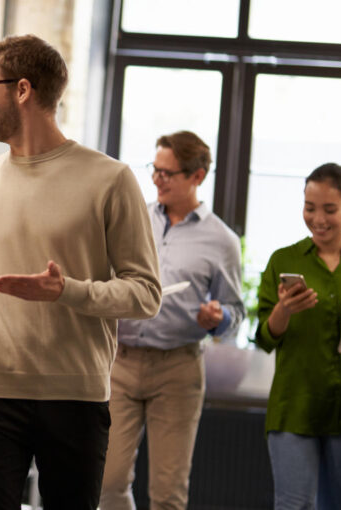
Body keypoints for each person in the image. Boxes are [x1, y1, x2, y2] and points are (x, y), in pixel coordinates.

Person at [0, 34, 162, 509]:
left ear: (23, 90)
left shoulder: (111, 179)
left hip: (77, 397)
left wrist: (66, 291)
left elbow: (145, 294)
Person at [99, 131, 245, 510]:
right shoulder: (133, 219)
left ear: (197, 176)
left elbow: (235, 312)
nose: (156, 179)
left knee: (168, 492)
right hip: (121, 362)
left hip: (178, 368)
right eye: (154, 169)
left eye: (168, 173)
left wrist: (219, 317)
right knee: (108, 481)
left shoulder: (221, 240)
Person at [254, 162, 341, 510]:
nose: (318, 219)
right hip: (294, 407)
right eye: (310, 208)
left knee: (340, 506)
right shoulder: (283, 260)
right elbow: (264, 339)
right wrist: (284, 310)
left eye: (330, 209)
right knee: (293, 505)